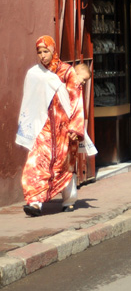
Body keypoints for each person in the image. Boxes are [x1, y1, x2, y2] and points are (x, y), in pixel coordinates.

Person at [16, 36, 85, 216]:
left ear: (53, 50)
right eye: (39, 52)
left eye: (45, 51)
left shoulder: (66, 72)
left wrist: (74, 129)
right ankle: (35, 202)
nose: (42, 56)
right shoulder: (35, 74)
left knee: (64, 163)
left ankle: (69, 199)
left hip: (64, 128)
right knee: (36, 162)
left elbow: (76, 100)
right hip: (43, 128)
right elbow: (30, 101)